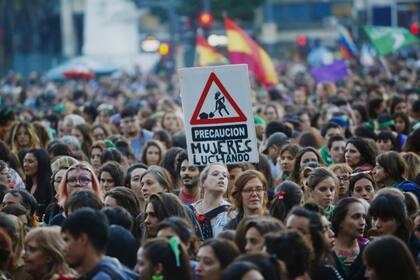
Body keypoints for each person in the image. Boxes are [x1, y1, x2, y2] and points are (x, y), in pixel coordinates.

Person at [61, 208, 138, 279]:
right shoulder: (115, 267)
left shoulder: (103, 277)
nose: (63, 248)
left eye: (66, 240)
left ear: (82, 239)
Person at [189, 164, 231, 240]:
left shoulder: (232, 212)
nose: (222, 177)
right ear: (203, 182)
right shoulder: (189, 210)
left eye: (225, 176)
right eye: (215, 174)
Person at [331, 197, 367, 280]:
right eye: (356, 217)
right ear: (340, 221)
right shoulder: (324, 252)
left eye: (364, 217)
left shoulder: (370, 252)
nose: (362, 222)